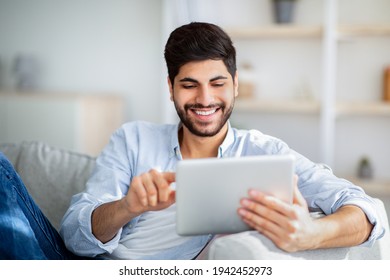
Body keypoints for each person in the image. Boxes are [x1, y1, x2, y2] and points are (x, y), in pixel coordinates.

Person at [0, 22, 385, 260]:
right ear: (171, 88)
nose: (204, 99)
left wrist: (311, 234)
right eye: (189, 85)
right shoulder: (133, 139)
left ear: (235, 86)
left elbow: (368, 211)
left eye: (218, 84)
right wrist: (127, 207)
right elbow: (74, 237)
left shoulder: (264, 152)